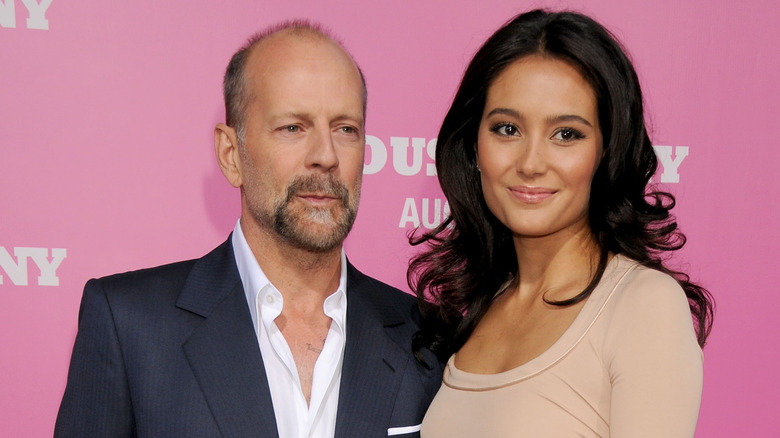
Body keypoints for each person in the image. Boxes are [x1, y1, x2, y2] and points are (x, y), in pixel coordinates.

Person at [55, 21, 441, 438]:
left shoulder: (428, 337)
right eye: (293, 127)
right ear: (230, 154)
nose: (326, 156)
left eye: (345, 129)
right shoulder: (130, 326)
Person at [409, 9, 714, 437]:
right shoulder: (479, 307)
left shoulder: (642, 306)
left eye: (567, 134)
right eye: (507, 128)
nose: (531, 163)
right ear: (474, 146)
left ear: (607, 151)